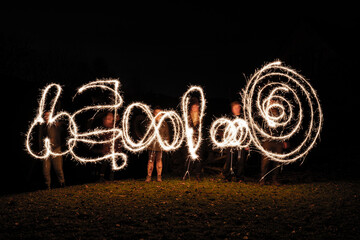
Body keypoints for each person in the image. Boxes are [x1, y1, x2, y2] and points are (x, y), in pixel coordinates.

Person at [259, 100, 288, 186]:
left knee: (277, 161)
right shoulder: (264, 112)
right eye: (271, 102)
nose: (273, 103)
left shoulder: (281, 114)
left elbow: (283, 127)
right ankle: (263, 179)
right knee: (265, 161)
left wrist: (284, 140)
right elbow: (260, 125)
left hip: (278, 140)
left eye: (274, 102)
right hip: (267, 140)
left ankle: (275, 179)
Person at [222, 101, 249, 182]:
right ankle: (227, 177)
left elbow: (247, 130)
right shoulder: (229, 118)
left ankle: (239, 177)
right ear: (232, 109)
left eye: (238, 107)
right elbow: (225, 130)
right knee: (230, 160)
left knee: (241, 161)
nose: (237, 109)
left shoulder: (244, 118)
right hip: (231, 143)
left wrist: (247, 143)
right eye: (235, 108)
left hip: (242, 143)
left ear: (240, 108)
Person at [39, 112, 65, 190]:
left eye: (48, 115)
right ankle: (47, 186)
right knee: (45, 169)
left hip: (56, 149)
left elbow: (65, 127)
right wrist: (40, 149)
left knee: (58, 168)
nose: (46, 116)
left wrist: (61, 124)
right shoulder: (42, 126)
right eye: (45, 115)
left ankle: (62, 183)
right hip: (46, 150)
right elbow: (40, 138)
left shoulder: (56, 124)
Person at [145, 107, 170, 182]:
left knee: (159, 160)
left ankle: (159, 176)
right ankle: (149, 176)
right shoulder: (150, 122)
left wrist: (166, 145)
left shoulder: (164, 123)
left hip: (160, 145)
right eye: (156, 112)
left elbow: (167, 135)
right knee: (150, 160)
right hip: (151, 145)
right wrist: (146, 143)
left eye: (160, 113)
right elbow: (147, 134)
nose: (158, 114)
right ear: (154, 113)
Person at [184, 97, 204, 181]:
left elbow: (203, 128)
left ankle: (197, 174)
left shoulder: (201, 116)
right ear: (191, 107)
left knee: (199, 157)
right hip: (190, 139)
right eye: (194, 107)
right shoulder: (188, 117)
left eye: (197, 106)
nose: (195, 108)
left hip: (198, 139)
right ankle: (187, 172)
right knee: (189, 157)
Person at [99, 112, 121, 182]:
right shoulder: (105, 126)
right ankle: (101, 177)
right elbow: (103, 134)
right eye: (109, 117)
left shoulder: (114, 126)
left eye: (112, 117)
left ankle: (111, 177)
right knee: (104, 163)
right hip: (106, 147)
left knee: (112, 162)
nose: (111, 119)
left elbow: (118, 134)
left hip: (114, 147)